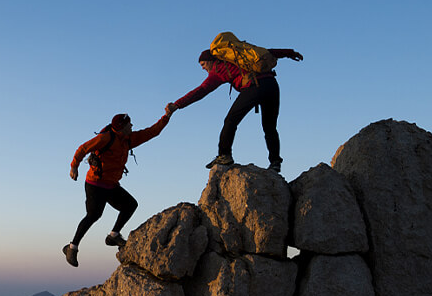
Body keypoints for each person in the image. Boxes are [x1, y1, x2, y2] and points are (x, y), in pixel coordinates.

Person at [166, 46, 303, 173]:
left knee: (230, 120)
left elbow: (201, 91)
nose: (203, 68)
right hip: (272, 85)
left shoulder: (218, 70)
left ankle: (224, 155)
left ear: (210, 61)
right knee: (270, 127)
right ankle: (275, 162)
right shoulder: (238, 58)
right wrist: (291, 53)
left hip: (254, 87)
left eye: (203, 64)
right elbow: (269, 52)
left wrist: (177, 104)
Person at [62, 110, 172, 267]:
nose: (132, 126)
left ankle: (113, 236)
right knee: (93, 215)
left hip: (111, 185)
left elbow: (152, 132)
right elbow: (82, 148)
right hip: (95, 184)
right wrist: (74, 167)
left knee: (130, 205)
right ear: (122, 127)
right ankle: (72, 248)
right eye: (129, 124)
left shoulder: (128, 139)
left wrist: (167, 116)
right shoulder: (105, 138)